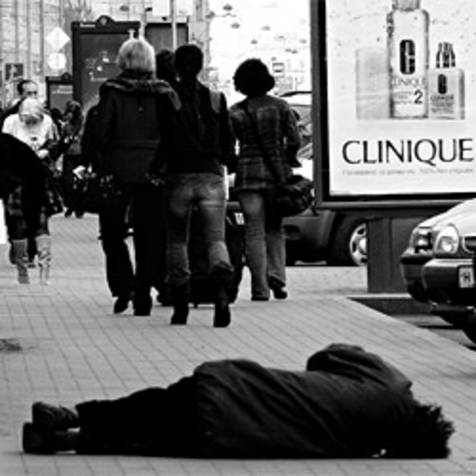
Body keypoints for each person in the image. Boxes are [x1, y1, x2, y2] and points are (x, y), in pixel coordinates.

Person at [22, 343, 454, 458]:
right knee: (151, 438)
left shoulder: (392, 384)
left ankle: (71, 415)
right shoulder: (365, 447)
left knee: (148, 406)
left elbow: (328, 355)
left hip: (233, 387)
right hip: (229, 438)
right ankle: (67, 441)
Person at [94, 37, 179, 316]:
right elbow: (173, 132)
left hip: (117, 170)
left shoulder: (111, 91)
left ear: (122, 60)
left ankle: (123, 285)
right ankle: (143, 294)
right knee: (149, 234)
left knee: (111, 233)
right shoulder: (165, 92)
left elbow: (102, 133)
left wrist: (102, 162)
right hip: (154, 171)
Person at [154, 43, 235, 327]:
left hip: (178, 177)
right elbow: (227, 141)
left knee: (177, 240)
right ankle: (221, 288)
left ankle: (180, 305)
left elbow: (164, 139)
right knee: (216, 239)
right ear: (201, 66)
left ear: (176, 67)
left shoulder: (168, 99)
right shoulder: (216, 98)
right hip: (211, 176)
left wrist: (155, 168)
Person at [229, 59, 301, 301]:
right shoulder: (281, 107)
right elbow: (295, 139)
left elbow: (227, 146)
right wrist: (288, 158)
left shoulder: (236, 112)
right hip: (276, 176)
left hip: (247, 176)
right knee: (274, 228)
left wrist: (237, 162)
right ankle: (277, 276)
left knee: (253, 231)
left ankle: (259, 288)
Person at [2, 97, 61, 284]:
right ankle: (23, 269)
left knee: (40, 223)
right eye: (28, 122)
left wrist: (47, 151)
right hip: (17, 178)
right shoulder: (11, 123)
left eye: (35, 122)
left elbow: (54, 144)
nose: (31, 125)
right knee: (18, 225)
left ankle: (44, 270)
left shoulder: (47, 122)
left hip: (38, 176)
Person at [58, 100, 85, 218]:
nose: (69, 115)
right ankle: (72, 205)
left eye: (71, 113)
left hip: (81, 156)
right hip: (69, 155)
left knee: (80, 182)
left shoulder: (83, 126)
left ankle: (75, 207)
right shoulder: (66, 126)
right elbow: (61, 141)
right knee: (68, 182)